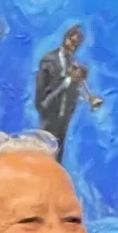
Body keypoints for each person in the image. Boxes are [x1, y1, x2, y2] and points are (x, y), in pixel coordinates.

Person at [35, 25, 89, 163]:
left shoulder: (74, 63)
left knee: (58, 155)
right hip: (49, 113)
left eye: (76, 45)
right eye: (72, 42)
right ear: (66, 38)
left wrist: (81, 92)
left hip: (64, 116)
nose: (73, 47)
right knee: (45, 153)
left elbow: (75, 89)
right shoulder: (48, 60)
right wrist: (69, 80)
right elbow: (41, 91)